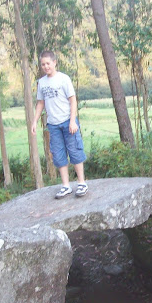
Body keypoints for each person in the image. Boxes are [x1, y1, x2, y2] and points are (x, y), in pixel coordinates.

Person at [32, 50, 88, 198]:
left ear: (54, 62)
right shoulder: (42, 82)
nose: (45, 66)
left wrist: (72, 121)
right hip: (53, 125)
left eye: (48, 63)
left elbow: (72, 99)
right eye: (43, 64)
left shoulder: (64, 79)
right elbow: (40, 103)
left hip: (68, 122)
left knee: (75, 151)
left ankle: (81, 183)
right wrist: (34, 121)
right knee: (58, 155)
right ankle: (66, 186)